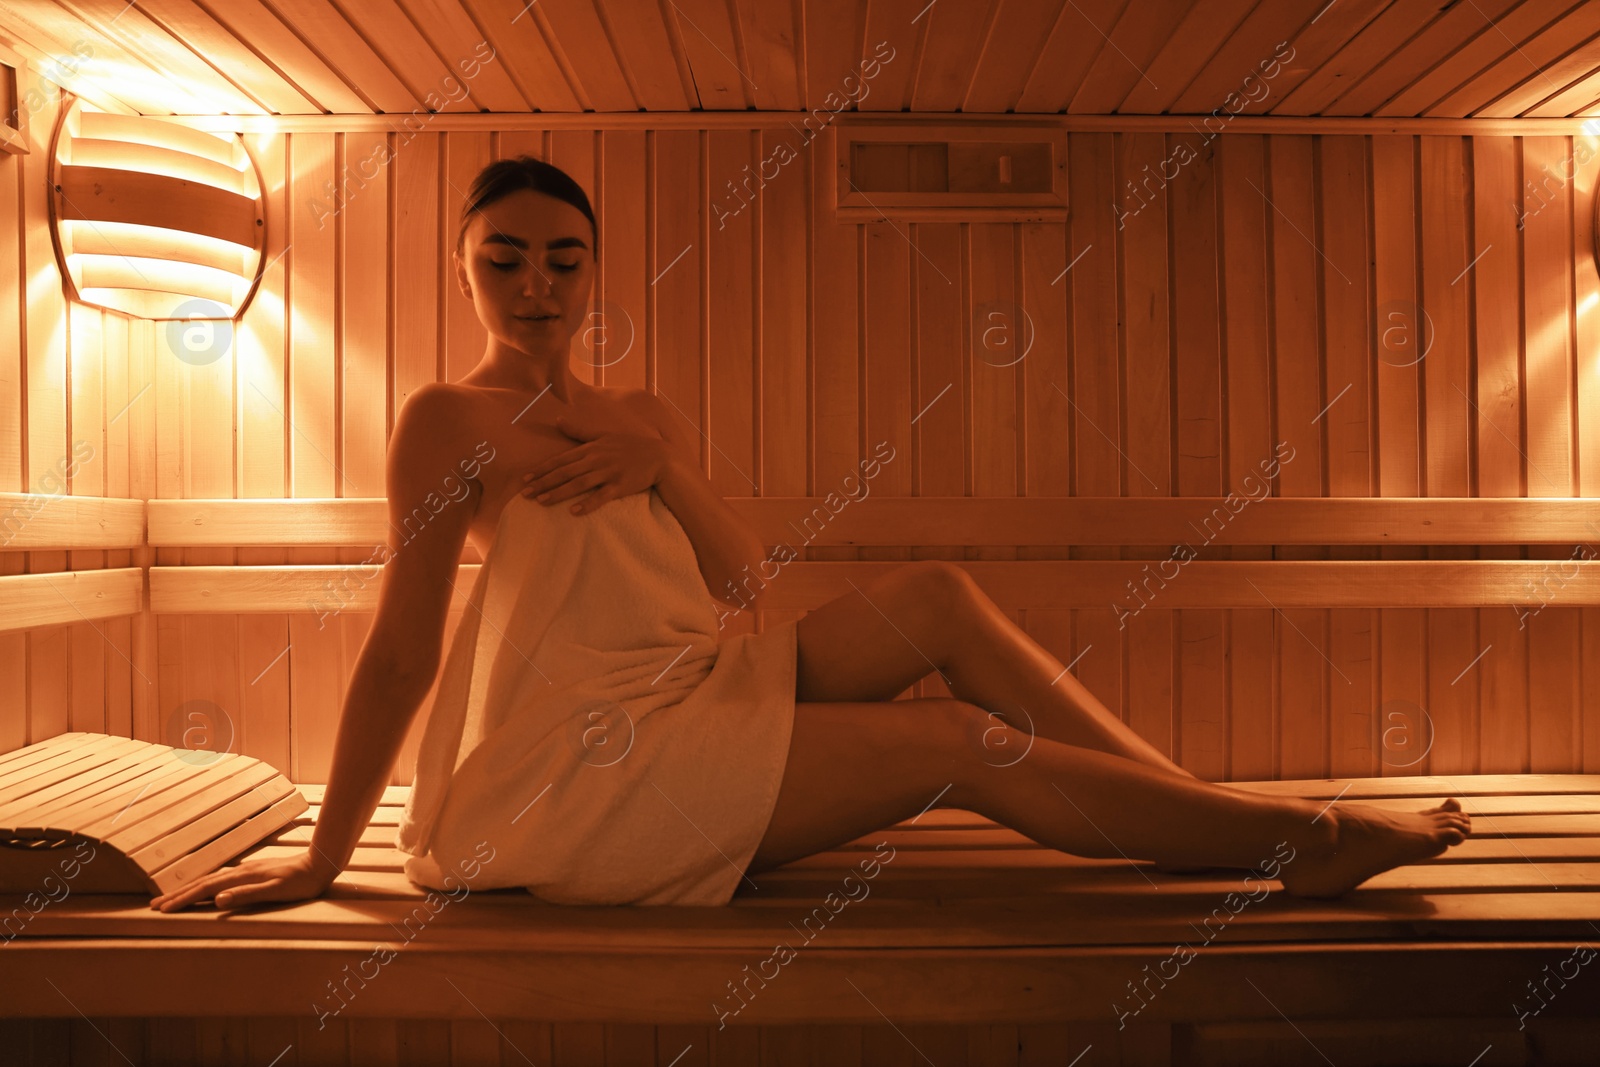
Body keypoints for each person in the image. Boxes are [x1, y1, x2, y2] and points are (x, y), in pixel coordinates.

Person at [150, 157, 1470, 912]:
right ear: (465, 269)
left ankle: (1220, 816)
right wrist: (326, 860)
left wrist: (663, 462)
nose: (538, 283)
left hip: (698, 685)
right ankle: (1289, 838)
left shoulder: (641, 411)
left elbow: (743, 584)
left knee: (943, 595)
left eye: (564, 257)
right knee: (964, 739)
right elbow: (400, 652)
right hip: (577, 771)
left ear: (595, 269)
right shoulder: (444, 421)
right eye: (506, 258)